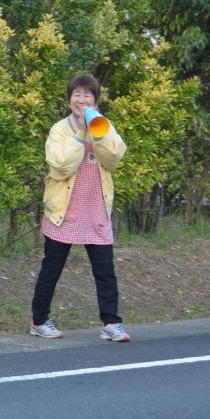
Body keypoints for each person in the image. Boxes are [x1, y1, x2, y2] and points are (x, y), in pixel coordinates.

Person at [29, 72, 130, 343]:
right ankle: (39, 321)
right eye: (77, 94)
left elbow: (115, 158)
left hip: (95, 209)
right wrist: (79, 138)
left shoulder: (104, 125)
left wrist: (98, 133)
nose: (81, 99)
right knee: (52, 267)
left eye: (88, 95)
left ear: (96, 100)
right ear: (69, 99)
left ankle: (111, 323)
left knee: (105, 270)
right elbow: (60, 166)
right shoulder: (60, 130)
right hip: (64, 211)